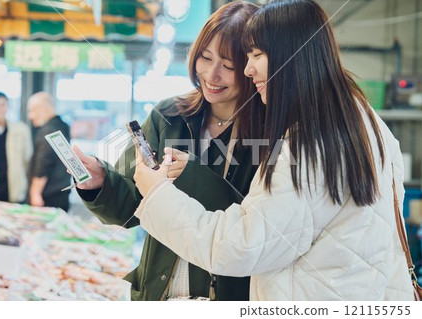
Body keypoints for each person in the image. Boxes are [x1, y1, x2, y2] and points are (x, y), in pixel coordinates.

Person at [132, 0, 414, 300]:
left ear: (291, 55)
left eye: (255, 55)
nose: (248, 69)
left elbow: (240, 246)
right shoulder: (362, 117)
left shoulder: (310, 141)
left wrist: (157, 194)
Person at [73, 1, 264, 301]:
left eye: (228, 66)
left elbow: (253, 227)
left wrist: (191, 176)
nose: (212, 75)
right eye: (205, 57)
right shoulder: (169, 115)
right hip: (156, 293)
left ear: (252, 68)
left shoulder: (269, 134)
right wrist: (99, 183)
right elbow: (130, 208)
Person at [28, 92, 71, 212]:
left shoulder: (48, 130)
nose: (30, 116)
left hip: (48, 195)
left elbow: (44, 163)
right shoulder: (62, 126)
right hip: (61, 192)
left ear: (43, 108)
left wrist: (35, 193)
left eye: (32, 110)